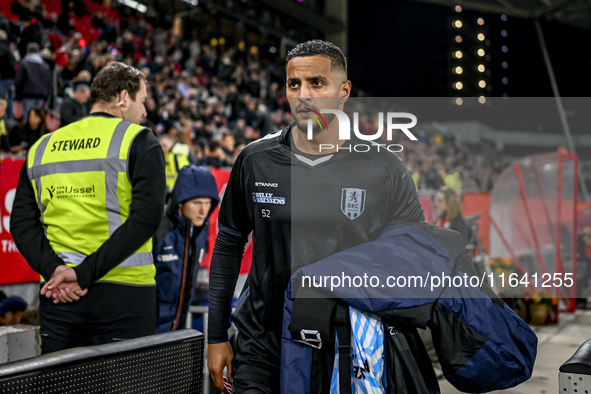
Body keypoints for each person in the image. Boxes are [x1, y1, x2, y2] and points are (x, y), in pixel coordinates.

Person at [207, 40, 424, 393]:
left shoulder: (383, 168)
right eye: (294, 84)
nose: (303, 95)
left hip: (345, 347)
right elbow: (229, 244)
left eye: (317, 83)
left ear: (344, 91)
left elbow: (413, 255)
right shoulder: (255, 159)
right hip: (262, 345)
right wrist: (216, 336)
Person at [10, 61, 166, 354]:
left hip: (58, 296)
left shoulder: (41, 147)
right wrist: (83, 274)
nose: (144, 112)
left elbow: (20, 224)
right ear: (123, 97)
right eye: (142, 101)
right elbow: (146, 219)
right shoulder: (139, 140)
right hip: (125, 293)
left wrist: (55, 269)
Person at [153, 164, 219, 333]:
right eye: (196, 203)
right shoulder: (158, 229)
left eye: (208, 203)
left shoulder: (200, 231)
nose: (203, 210)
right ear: (180, 203)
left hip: (177, 327)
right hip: (150, 329)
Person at [13, 42, 52, 120]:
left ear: (28, 51)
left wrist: (18, 96)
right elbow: (48, 82)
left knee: (28, 118)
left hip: (28, 95)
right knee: (39, 119)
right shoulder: (45, 65)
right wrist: (47, 96)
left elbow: (18, 81)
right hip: (41, 95)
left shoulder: (24, 64)